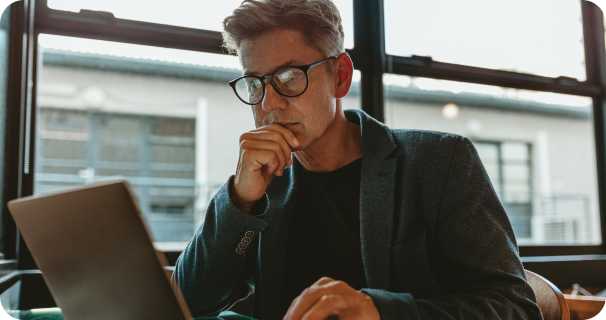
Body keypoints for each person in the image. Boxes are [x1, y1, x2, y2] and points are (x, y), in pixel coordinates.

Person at [173, 0, 543, 319]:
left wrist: (382, 312)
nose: (269, 103)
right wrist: (239, 199)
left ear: (340, 76)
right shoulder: (263, 184)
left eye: (288, 76)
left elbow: (514, 308)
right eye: (255, 83)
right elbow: (188, 301)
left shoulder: (441, 162)